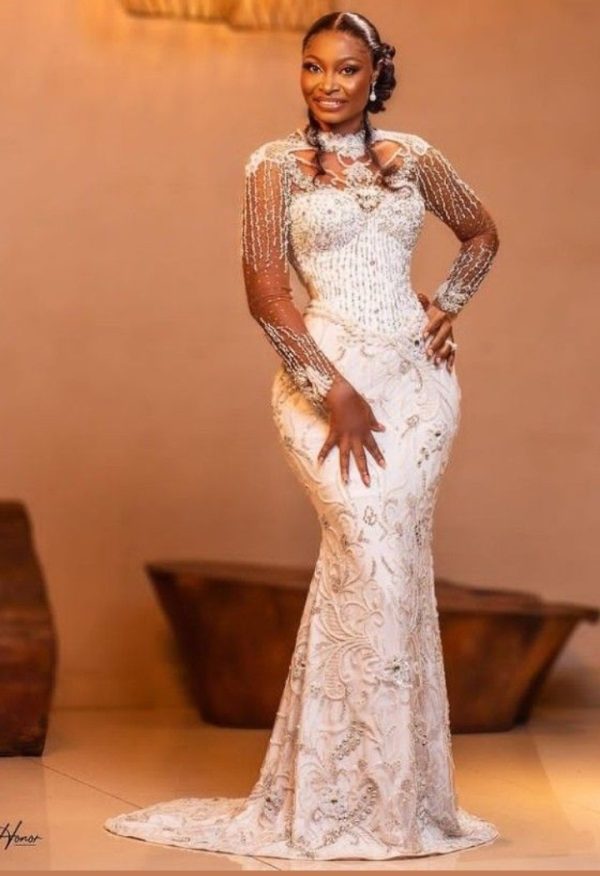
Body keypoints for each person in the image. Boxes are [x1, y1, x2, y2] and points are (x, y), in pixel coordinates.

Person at [104, 10, 501, 861]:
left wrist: (446, 307)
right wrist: (332, 389)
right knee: (367, 552)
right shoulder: (272, 166)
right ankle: (331, 795)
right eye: (312, 67)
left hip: (416, 388)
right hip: (324, 378)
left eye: (346, 69)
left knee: (394, 569)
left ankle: (395, 801)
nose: (327, 84)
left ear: (375, 75)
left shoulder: (415, 158)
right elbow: (265, 292)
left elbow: (481, 234)